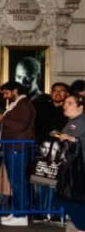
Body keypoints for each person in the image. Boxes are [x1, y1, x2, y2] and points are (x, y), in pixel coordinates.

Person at [0, 81, 36, 227]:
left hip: (17, 147)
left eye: (7, 93)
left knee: (18, 181)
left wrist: (3, 119)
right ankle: (17, 212)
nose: (5, 96)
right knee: (15, 181)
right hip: (13, 147)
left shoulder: (24, 104)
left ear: (15, 91)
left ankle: (21, 215)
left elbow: (21, 125)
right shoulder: (19, 104)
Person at [34, 82, 70, 219]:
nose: (58, 93)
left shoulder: (68, 110)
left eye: (62, 91)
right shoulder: (43, 108)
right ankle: (41, 212)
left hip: (62, 151)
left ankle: (55, 212)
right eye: (55, 90)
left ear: (67, 94)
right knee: (42, 181)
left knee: (58, 184)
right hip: (43, 149)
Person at [55, 95, 85, 232]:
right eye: (65, 103)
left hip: (79, 166)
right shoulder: (71, 121)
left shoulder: (81, 121)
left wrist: (73, 139)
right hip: (70, 166)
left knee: (71, 198)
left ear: (81, 107)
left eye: (70, 103)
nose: (64, 105)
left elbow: (77, 140)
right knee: (66, 197)